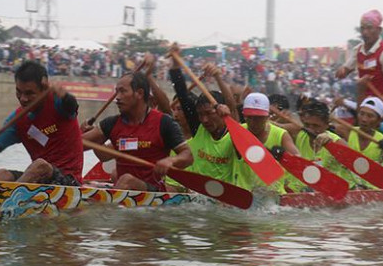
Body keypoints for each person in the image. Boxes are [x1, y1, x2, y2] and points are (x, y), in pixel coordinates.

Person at [0, 61, 83, 186]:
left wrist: (65, 96)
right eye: (19, 92)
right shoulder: (18, 120)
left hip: (69, 181)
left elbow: (72, 106)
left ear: (44, 89)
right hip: (39, 179)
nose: (23, 99)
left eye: (29, 93)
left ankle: (8, 201)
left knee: (40, 165)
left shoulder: (58, 103)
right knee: (3, 174)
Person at [82, 71, 193, 191]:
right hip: (124, 189)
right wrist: (77, 132)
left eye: (123, 91)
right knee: (117, 176)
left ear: (139, 93)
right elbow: (79, 145)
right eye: (116, 92)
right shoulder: (111, 123)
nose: (117, 97)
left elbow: (188, 156)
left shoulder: (165, 122)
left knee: (126, 180)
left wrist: (171, 160)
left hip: (154, 191)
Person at [169, 60, 239, 190]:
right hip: (196, 195)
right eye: (200, 114)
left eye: (209, 113)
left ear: (220, 112)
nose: (204, 120)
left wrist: (217, 76)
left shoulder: (234, 133)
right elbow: (182, 95)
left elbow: (232, 107)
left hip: (226, 196)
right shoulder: (199, 128)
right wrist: (175, 67)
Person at [234, 93, 299, 194]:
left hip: (273, 195)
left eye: (259, 118)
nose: (254, 122)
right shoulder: (237, 132)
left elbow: (298, 162)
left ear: (267, 116)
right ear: (244, 115)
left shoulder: (281, 135)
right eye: (250, 117)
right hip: (244, 195)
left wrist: (284, 157)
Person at [335, 10, 383, 102]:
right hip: (362, 101)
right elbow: (345, 71)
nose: (365, 32)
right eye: (362, 29)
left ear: (379, 30)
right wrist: (342, 71)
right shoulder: (358, 50)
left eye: (369, 28)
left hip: (378, 104)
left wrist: (381, 100)